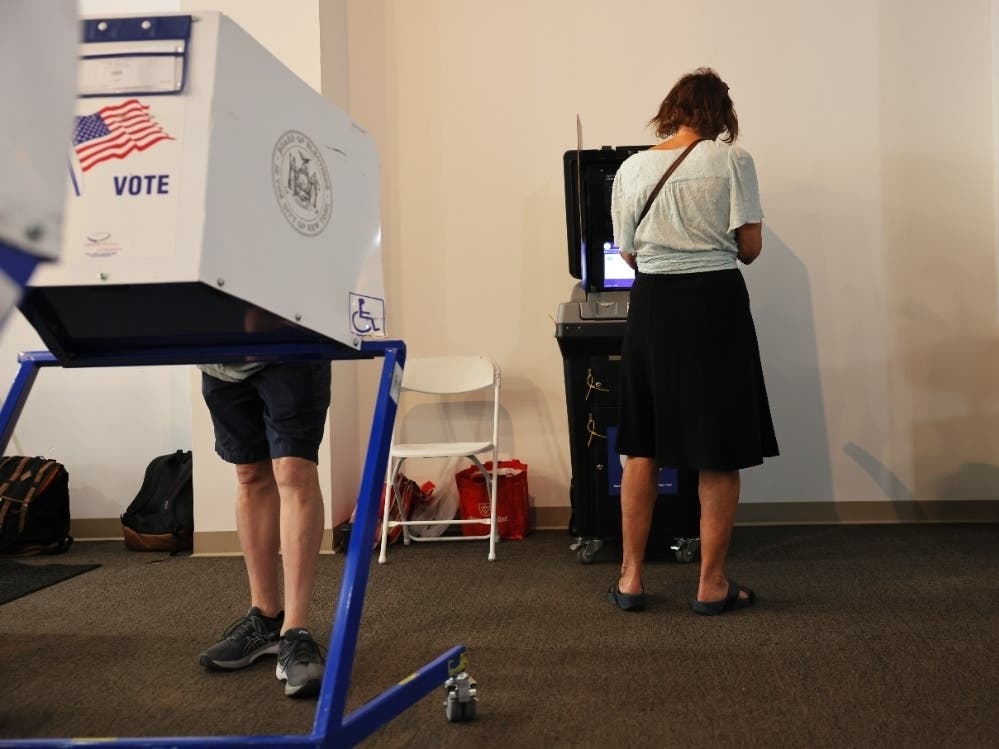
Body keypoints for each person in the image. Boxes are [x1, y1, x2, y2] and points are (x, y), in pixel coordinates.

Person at [607, 67, 779, 615]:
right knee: (718, 448)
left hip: (652, 306)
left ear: (672, 109)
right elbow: (749, 248)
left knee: (642, 444)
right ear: (720, 115)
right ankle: (711, 583)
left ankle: (631, 578)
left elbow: (628, 251)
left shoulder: (632, 168)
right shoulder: (732, 161)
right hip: (714, 307)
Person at [197, 355, 331, 698]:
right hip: (219, 357)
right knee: (249, 474)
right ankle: (266, 618)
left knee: (293, 470)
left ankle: (295, 630)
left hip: (289, 351)